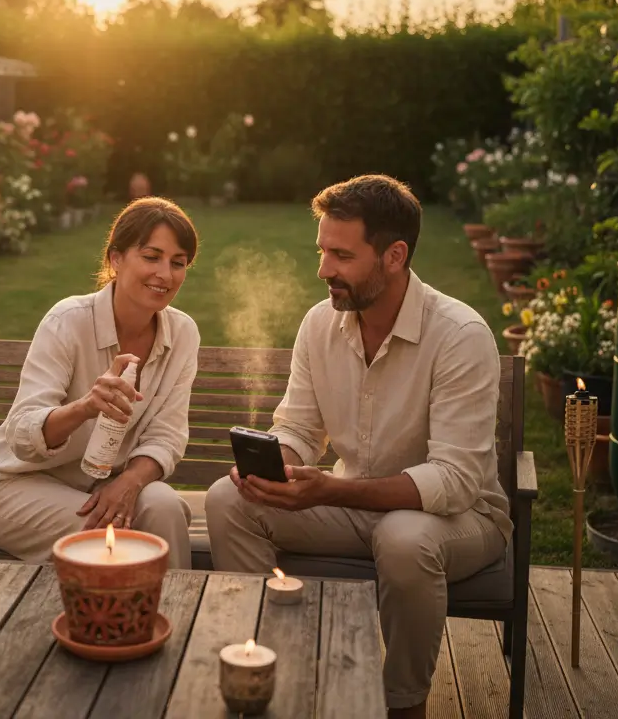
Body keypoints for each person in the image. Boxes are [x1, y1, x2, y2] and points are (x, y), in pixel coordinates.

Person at [205, 175, 509, 719]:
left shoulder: (460, 335)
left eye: (342, 255)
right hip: (355, 506)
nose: (324, 269)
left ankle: (403, 704)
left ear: (395, 256)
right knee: (229, 501)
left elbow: (455, 481)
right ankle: (274, 660)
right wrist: (277, 466)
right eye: (322, 251)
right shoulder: (320, 324)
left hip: (460, 519)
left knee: (404, 538)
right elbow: (299, 428)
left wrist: (331, 491)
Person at [0, 196, 201, 569]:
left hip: (101, 485)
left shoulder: (183, 333)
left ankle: (174, 605)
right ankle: (118, 607)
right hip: (17, 485)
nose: (165, 275)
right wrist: (86, 406)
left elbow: (167, 435)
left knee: (165, 507)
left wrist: (130, 482)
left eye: (178, 263)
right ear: (116, 258)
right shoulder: (67, 321)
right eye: (151, 257)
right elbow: (23, 433)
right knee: (118, 540)